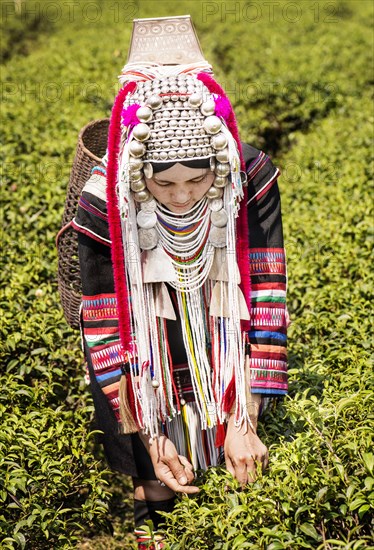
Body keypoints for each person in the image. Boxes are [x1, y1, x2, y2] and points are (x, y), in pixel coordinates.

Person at [72, 16, 289, 549]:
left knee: (235, 471)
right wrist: (146, 426)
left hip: (225, 339)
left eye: (198, 180)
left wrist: (246, 412)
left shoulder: (247, 176)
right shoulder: (104, 202)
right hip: (144, 359)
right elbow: (102, 321)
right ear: (135, 171)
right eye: (163, 183)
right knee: (160, 481)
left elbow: (264, 287)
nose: (182, 196)